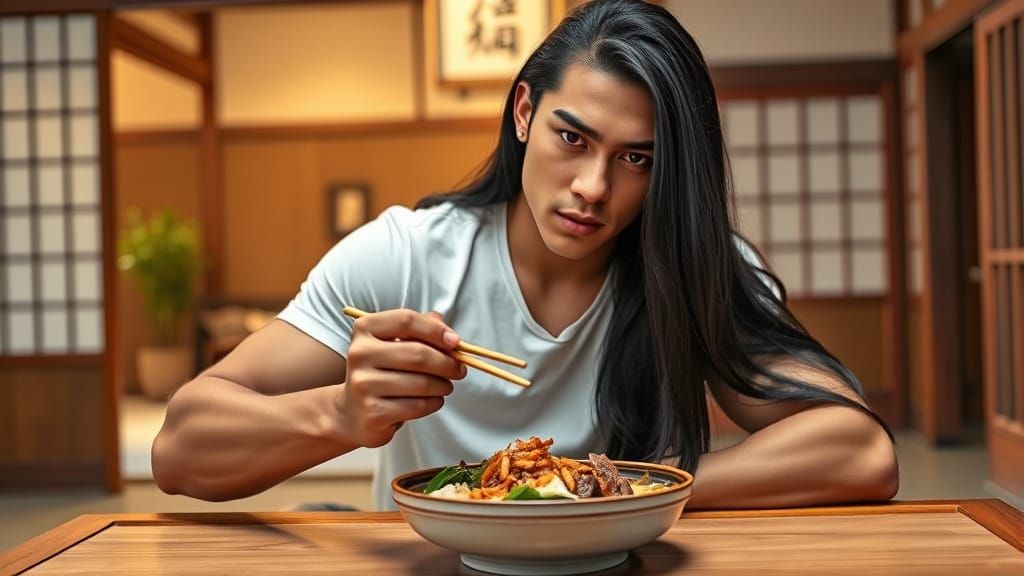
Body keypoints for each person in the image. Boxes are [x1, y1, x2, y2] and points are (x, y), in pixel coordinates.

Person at [152, 0, 898, 511]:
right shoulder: (403, 259)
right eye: (571, 139)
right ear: (523, 113)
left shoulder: (696, 264)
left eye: (637, 159)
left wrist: (625, 493)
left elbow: (861, 450)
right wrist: (340, 413)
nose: (593, 187)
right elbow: (180, 450)